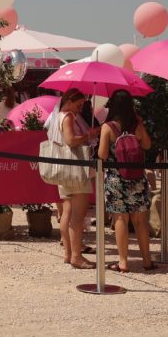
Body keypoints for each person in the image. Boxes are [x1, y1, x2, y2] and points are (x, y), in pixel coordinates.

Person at [97, 90, 155, 273]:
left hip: (116, 178)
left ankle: (123, 262)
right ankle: (147, 260)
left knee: (120, 218)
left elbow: (102, 155)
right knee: (140, 221)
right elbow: (147, 145)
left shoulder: (108, 127)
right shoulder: (136, 124)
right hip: (137, 177)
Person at [45, 88, 100, 269]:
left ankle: (68, 254)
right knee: (78, 215)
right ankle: (77, 256)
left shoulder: (58, 117)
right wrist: (89, 135)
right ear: (69, 100)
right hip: (74, 169)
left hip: (63, 170)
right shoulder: (68, 116)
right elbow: (70, 140)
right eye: (79, 104)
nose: (80, 108)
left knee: (67, 213)